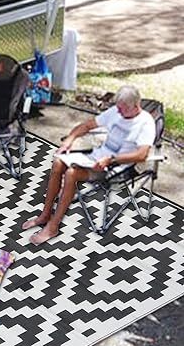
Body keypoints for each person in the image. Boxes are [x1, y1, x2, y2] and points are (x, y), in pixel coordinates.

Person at [22, 85, 156, 245]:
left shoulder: (145, 123)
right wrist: (68, 142)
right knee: (58, 161)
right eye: (118, 108)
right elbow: (86, 126)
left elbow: (142, 155)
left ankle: (53, 226)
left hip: (118, 167)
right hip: (98, 157)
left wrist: (111, 159)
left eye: (122, 109)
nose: (118, 112)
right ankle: (45, 214)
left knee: (72, 173)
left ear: (136, 105)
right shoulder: (116, 111)